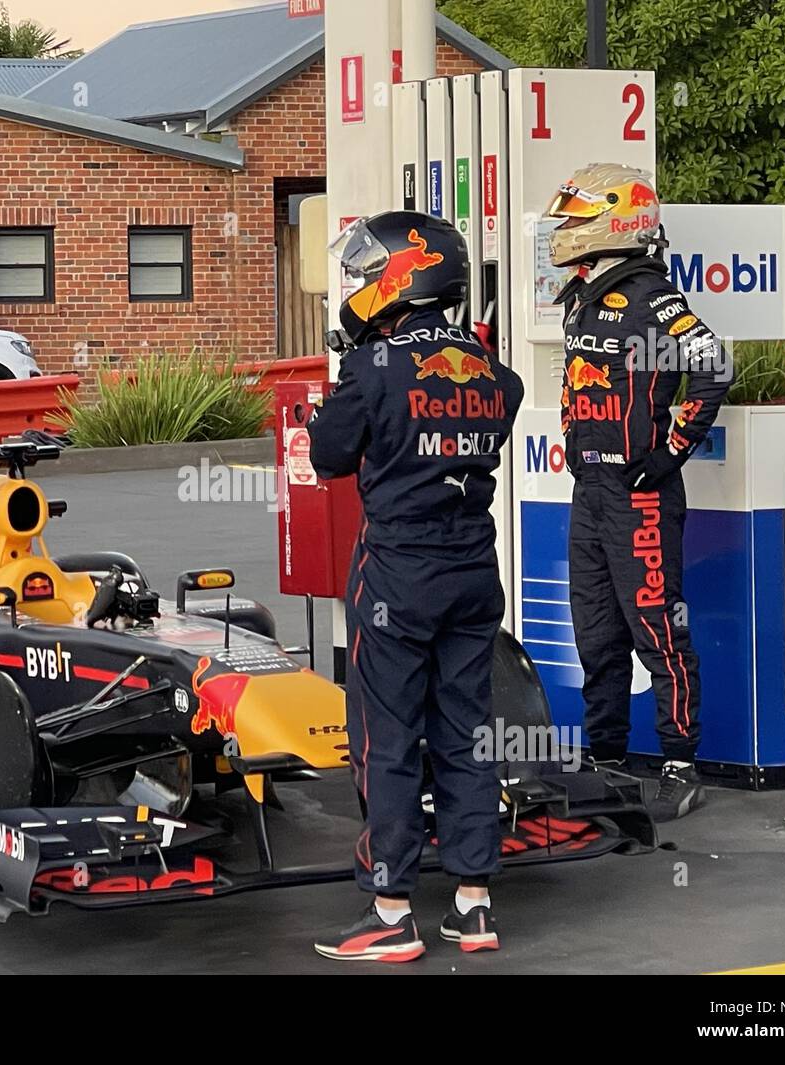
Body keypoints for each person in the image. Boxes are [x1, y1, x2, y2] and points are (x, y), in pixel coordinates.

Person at [308, 211, 523, 962]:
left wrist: (346, 378)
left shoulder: (372, 366)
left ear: (404, 274)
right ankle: (473, 905)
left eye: (370, 270)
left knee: (387, 738)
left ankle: (391, 909)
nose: (360, 283)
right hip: (473, 573)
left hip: (398, 573)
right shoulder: (497, 372)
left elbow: (330, 455)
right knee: (466, 732)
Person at [544, 163, 730, 821]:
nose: (565, 230)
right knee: (594, 634)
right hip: (590, 491)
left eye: (576, 217)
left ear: (614, 222)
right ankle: (606, 761)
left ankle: (682, 762)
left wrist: (669, 450)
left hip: (639, 493)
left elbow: (714, 368)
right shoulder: (583, 292)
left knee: (658, 629)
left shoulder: (653, 295)